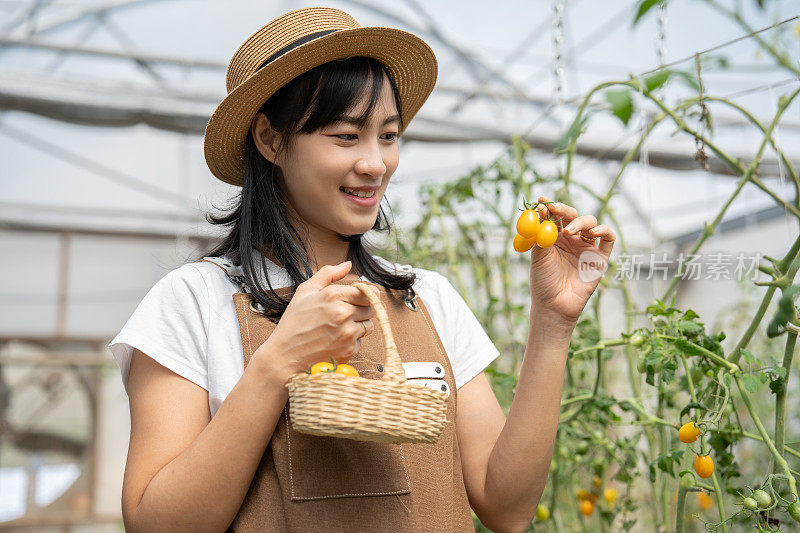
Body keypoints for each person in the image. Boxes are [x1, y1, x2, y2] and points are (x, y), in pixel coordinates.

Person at [108, 6, 616, 532]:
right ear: (270, 139)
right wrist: (277, 362)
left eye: (389, 136)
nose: (376, 163)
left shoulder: (428, 298)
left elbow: (505, 506)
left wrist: (553, 323)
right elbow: (155, 524)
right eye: (346, 136)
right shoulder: (194, 301)